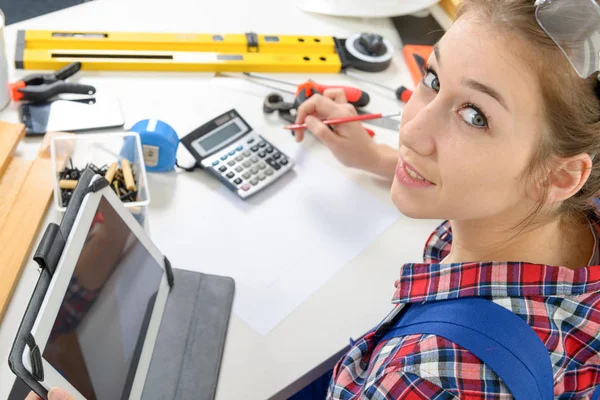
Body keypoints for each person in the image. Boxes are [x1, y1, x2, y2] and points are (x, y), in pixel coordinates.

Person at [26, 0, 600, 398]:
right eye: (431, 79)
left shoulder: (423, 376)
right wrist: (379, 160)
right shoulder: (571, 211)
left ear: (559, 176)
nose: (412, 131)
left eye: (475, 116)